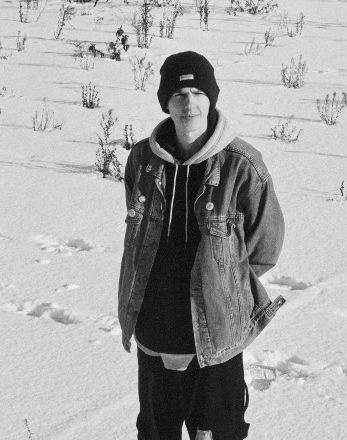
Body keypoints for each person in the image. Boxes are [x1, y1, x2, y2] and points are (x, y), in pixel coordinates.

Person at [118, 51, 285, 440]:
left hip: (216, 340)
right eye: (179, 95)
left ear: (211, 99)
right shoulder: (142, 159)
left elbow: (265, 246)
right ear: (166, 102)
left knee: (217, 434)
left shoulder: (242, 165)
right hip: (154, 332)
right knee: (155, 432)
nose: (188, 104)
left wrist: (223, 287)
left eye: (197, 93)